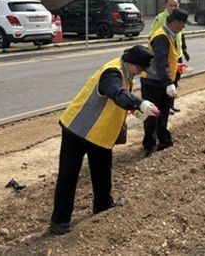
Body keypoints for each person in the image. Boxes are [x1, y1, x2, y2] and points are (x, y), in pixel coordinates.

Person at [50, 46, 160, 235]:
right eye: (139, 68)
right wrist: (139, 102)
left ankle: (102, 205)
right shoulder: (112, 73)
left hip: (99, 135)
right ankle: (60, 220)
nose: (140, 73)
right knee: (69, 175)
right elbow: (115, 92)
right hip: (77, 130)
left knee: (102, 171)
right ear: (130, 62)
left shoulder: (126, 75)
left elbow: (117, 100)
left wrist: (134, 109)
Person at [141, 8, 188, 156]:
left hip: (161, 81)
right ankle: (149, 145)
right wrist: (168, 83)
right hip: (153, 82)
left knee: (163, 113)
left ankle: (164, 141)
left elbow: (167, 59)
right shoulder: (161, 37)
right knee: (152, 115)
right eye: (183, 24)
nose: (183, 27)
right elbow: (159, 63)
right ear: (175, 23)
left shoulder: (169, 35)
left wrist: (175, 67)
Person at [149, 0, 190, 115]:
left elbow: (181, 36)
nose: (173, 7)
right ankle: (166, 106)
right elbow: (152, 35)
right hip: (165, 55)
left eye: (175, 5)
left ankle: (170, 104)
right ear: (166, 5)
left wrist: (184, 50)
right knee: (166, 81)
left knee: (174, 80)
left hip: (176, 54)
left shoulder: (180, 17)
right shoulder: (161, 18)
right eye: (170, 5)